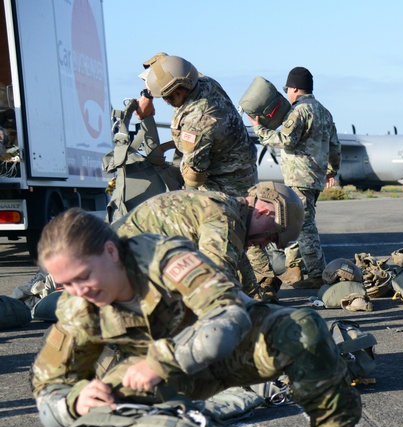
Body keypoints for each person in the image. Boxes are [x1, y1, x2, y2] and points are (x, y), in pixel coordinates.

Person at [30, 209, 376, 427]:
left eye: (83, 276)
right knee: (114, 393)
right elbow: (47, 387)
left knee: (301, 328)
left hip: (233, 350)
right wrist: (74, 401)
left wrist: (161, 360)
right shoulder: (78, 307)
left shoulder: (163, 259)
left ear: (110, 251)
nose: (79, 291)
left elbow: (227, 317)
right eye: (66, 284)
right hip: (165, 380)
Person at [113, 183, 304, 299]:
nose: (263, 245)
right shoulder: (225, 220)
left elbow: (240, 263)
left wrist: (255, 300)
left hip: (126, 256)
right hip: (121, 266)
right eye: (270, 237)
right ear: (263, 213)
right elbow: (215, 284)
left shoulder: (231, 209)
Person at [250, 67, 340, 291]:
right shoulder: (324, 112)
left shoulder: (298, 111)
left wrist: (259, 129)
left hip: (299, 177)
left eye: (287, 89)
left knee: (304, 226)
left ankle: (318, 274)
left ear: (295, 88)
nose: (287, 93)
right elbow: (335, 146)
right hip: (315, 177)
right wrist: (331, 170)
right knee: (299, 222)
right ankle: (296, 268)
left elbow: (286, 140)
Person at [142, 55, 257, 198]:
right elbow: (170, 67)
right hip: (242, 170)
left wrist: (187, 195)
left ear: (178, 92)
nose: (165, 102)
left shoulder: (197, 123)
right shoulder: (203, 82)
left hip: (226, 188)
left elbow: (194, 172)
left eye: (166, 97)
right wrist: (147, 96)